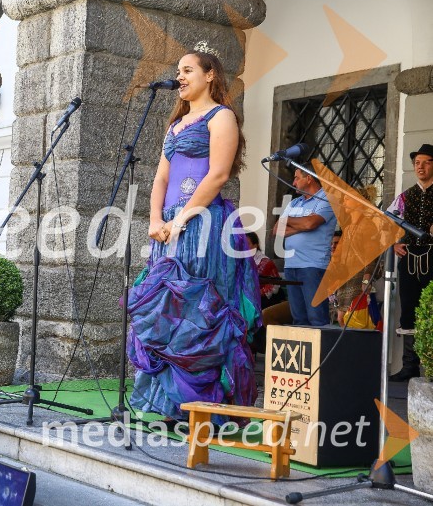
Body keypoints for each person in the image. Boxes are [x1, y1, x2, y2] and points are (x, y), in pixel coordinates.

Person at [125, 46, 261, 423]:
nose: (180, 77)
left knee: (201, 310)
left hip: (202, 223)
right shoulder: (176, 124)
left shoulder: (222, 117)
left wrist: (181, 219)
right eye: (178, 71)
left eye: (187, 70)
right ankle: (172, 405)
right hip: (169, 225)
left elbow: (217, 175)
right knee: (170, 310)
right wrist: (155, 219)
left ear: (210, 75)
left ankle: (205, 409)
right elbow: (161, 178)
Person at [389, 144, 433, 381]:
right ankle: (410, 367)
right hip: (408, 261)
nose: (420, 167)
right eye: (417, 163)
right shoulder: (405, 196)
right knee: (409, 310)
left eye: (426, 162)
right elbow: (387, 223)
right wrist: (394, 243)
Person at [272, 167, 337, 326]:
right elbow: (277, 230)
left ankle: (322, 351)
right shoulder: (295, 202)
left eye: (296, 178)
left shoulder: (327, 198)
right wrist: (302, 224)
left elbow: (310, 223)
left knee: (317, 318)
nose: (293, 182)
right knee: (298, 319)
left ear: (309, 178)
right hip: (291, 265)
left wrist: (289, 221)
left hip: (313, 266)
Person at [247, 232, 284, 309]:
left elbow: (274, 284)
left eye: (247, 244)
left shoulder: (265, 262)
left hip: (266, 298)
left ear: (255, 245)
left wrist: (256, 293)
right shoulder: (242, 261)